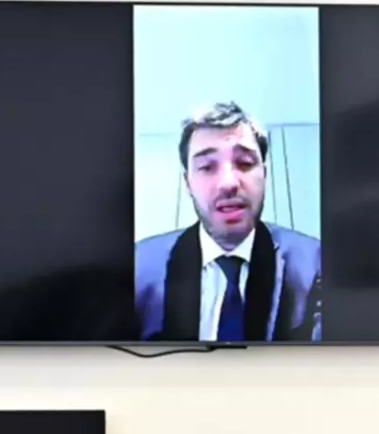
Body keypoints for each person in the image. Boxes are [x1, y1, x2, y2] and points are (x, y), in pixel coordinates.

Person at [134, 101, 321, 342]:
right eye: (207, 167)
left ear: (264, 174)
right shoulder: (137, 266)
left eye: (245, 163)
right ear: (188, 183)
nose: (228, 183)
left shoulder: (316, 264)